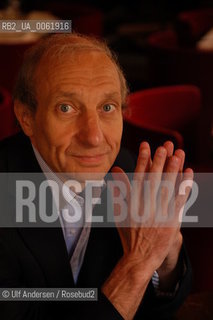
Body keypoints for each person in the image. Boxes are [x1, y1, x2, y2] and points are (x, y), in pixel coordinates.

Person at [0, 33, 192, 320]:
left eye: (107, 107)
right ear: (26, 117)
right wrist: (138, 264)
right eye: (66, 108)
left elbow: (161, 303)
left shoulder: (125, 170)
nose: (93, 137)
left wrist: (165, 255)